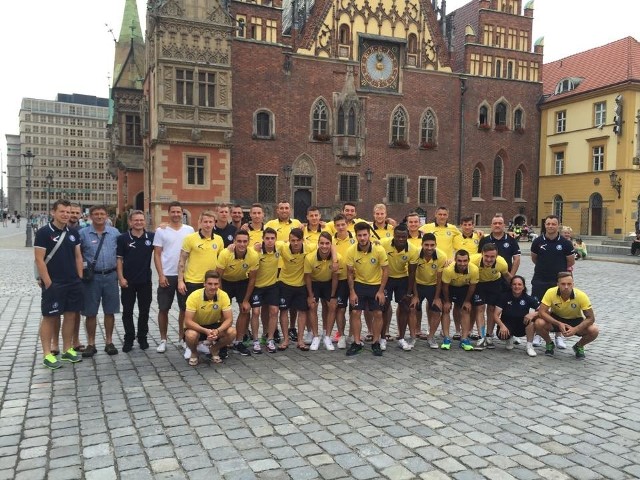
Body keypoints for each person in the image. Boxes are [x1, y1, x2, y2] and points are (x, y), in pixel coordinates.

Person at [34, 199, 84, 369]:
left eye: (68, 212)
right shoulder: (43, 232)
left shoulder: (73, 232)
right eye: (62, 211)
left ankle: (67, 349)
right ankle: (47, 354)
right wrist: (48, 283)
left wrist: (79, 277)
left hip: (72, 282)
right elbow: (39, 260)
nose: (66, 215)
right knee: (50, 317)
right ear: (53, 212)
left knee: (70, 316)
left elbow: (78, 256)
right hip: (54, 283)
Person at [178, 210, 225, 354]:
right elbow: (182, 260)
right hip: (193, 281)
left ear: (214, 223)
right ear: (200, 222)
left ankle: (205, 342)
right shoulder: (190, 239)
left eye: (211, 222)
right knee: (189, 313)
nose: (208, 225)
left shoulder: (218, 240)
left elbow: (221, 261)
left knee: (210, 313)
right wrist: (180, 280)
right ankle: (188, 342)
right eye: (205, 222)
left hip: (211, 283)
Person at [79, 205, 121, 357]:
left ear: (106, 216)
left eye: (102, 214)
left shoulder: (115, 233)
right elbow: (78, 255)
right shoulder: (82, 234)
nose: (99, 217)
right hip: (92, 278)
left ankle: (109, 342)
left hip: (110, 276)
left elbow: (120, 255)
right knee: (90, 312)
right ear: (90, 216)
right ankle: (91, 343)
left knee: (110, 311)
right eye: (96, 214)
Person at [153, 202, 195, 353]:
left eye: (179, 212)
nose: (176, 214)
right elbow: (157, 254)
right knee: (163, 308)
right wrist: (161, 274)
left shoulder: (189, 230)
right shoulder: (161, 231)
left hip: (185, 275)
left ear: (182, 213)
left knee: (185, 309)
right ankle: (163, 339)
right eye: (173, 212)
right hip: (168, 274)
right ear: (168, 213)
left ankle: (181, 338)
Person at [530, 215, 575, 349]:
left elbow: (570, 261)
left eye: (553, 224)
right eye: (548, 224)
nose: (550, 226)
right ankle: (538, 334)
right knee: (538, 307)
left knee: (558, 308)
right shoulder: (537, 242)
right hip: (540, 279)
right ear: (545, 225)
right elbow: (534, 258)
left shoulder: (565, 243)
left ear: (558, 225)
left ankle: (559, 336)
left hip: (558, 281)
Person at [345, 222, 389, 356]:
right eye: (360, 235)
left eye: (365, 235)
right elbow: (349, 273)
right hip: (359, 285)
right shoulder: (351, 250)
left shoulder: (379, 250)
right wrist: (352, 292)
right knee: (355, 313)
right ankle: (357, 343)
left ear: (369, 235)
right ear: (356, 236)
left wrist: (381, 291)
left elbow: (386, 271)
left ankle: (376, 342)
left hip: (376, 285)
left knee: (378, 313)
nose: (362, 238)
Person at [535, 272, 599, 358]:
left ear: (573, 284)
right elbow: (542, 312)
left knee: (594, 330)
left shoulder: (581, 295)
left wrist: (576, 329)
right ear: (558, 284)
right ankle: (549, 343)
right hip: (556, 318)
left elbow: (591, 318)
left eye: (569, 284)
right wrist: (558, 323)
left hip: (575, 319)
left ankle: (579, 346)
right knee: (538, 323)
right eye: (563, 284)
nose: (566, 287)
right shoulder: (550, 292)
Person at [216, 229, 260, 355]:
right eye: (239, 241)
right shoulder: (225, 254)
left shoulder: (253, 255)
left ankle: (238, 342)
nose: (242, 244)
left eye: (245, 241)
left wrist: (246, 300)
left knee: (245, 309)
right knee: (222, 312)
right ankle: (223, 342)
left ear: (248, 242)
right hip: (225, 282)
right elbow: (218, 277)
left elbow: (252, 279)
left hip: (242, 282)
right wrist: (221, 298)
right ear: (234, 242)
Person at [116, 210, 154, 352]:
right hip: (128, 281)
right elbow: (119, 259)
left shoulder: (151, 237)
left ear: (145, 221)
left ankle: (142, 337)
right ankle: (129, 338)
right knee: (127, 311)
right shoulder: (123, 238)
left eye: (141, 220)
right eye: (136, 220)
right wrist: (120, 278)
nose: (139, 222)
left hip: (145, 280)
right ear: (130, 222)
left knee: (144, 311)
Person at [183, 271, 236, 366]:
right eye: (210, 284)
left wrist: (217, 331)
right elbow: (188, 321)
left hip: (214, 325)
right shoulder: (194, 296)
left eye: (216, 284)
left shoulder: (223, 295)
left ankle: (214, 349)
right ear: (204, 284)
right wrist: (205, 330)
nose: (213, 287)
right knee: (191, 335)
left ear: (219, 284)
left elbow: (229, 319)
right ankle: (194, 352)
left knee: (232, 332)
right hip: (197, 326)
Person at [380, 224, 419, 351]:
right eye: (398, 236)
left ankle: (401, 338)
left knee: (404, 308)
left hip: (402, 278)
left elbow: (412, 272)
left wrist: (409, 292)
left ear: (407, 236)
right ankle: (382, 338)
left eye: (403, 237)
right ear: (394, 235)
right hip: (386, 278)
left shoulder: (412, 250)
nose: (401, 239)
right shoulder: (383, 244)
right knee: (384, 306)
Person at [471, 243, 511, 350]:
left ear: (497, 256)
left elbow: (507, 276)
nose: (489, 259)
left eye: (492, 257)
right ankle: (481, 336)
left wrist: (517, 288)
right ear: (482, 254)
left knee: (491, 309)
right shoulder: (473, 260)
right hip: (479, 283)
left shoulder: (501, 263)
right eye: (486, 256)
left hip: (494, 283)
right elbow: (457, 262)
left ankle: (489, 336)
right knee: (479, 308)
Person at [304, 232, 339, 351]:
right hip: (314, 283)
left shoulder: (336, 258)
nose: (324, 246)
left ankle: (327, 336)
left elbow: (335, 277)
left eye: (327, 243)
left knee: (332, 306)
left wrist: (333, 296)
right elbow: (307, 277)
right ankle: (315, 336)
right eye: (322, 243)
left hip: (328, 282)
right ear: (318, 244)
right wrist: (310, 295)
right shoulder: (310, 257)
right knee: (312, 306)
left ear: (331, 244)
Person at [249, 227, 280, 353]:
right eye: (267, 238)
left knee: (274, 311)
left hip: (272, 286)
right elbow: (243, 250)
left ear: (276, 240)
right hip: (257, 287)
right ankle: (256, 340)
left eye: (272, 238)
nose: (270, 241)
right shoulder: (255, 251)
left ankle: (270, 338)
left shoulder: (279, 249)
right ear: (263, 239)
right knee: (256, 312)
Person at [413, 233, 447, 349]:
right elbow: (411, 275)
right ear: (421, 244)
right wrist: (415, 295)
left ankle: (431, 336)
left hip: (433, 286)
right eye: (426, 245)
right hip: (417, 284)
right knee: (414, 307)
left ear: (436, 245)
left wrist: (437, 298)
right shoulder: (415, 254)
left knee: (437, 310)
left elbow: (439, 279)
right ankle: (414, 334)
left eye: (432, 245)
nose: (429, 248)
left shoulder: (441, 256)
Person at [441, 249, 479, 351]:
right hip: (449, 288)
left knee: (466, 309)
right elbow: (445, 287)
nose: (462, 263)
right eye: (459, 261)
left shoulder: (474, 270)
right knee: (445, 309)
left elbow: (472, 287)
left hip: (464, 287)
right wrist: (447, 301)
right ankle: (446, 338)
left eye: (465, 261)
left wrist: (467, 301)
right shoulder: (448, 269)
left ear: (468, 260)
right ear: (455, 260)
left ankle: (464, 339)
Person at [493, 275, 539, 357]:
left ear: (523, 286)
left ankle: (529, 346)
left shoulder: (528, 298)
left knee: (532, 323)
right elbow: (495, 315)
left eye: (519, 284)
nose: (517, 286)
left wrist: (533, 314)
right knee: (502, 335)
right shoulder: (504, 297)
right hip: (507, 325)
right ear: (511, 286)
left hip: (522, 325)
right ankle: (509, 338)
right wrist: (502, 326)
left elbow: (543, 310)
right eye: (514, 284)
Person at [331, 214, 356, 348]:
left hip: (354, 279)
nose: (340, 227)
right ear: (334, 226)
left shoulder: (355, 239)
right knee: (340, 310)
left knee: (354, 310)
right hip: (339, 279)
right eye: (338, 225)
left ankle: (352, 335)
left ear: (347, 224)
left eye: (343, 224)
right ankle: (341, 335)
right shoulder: (332, 241)